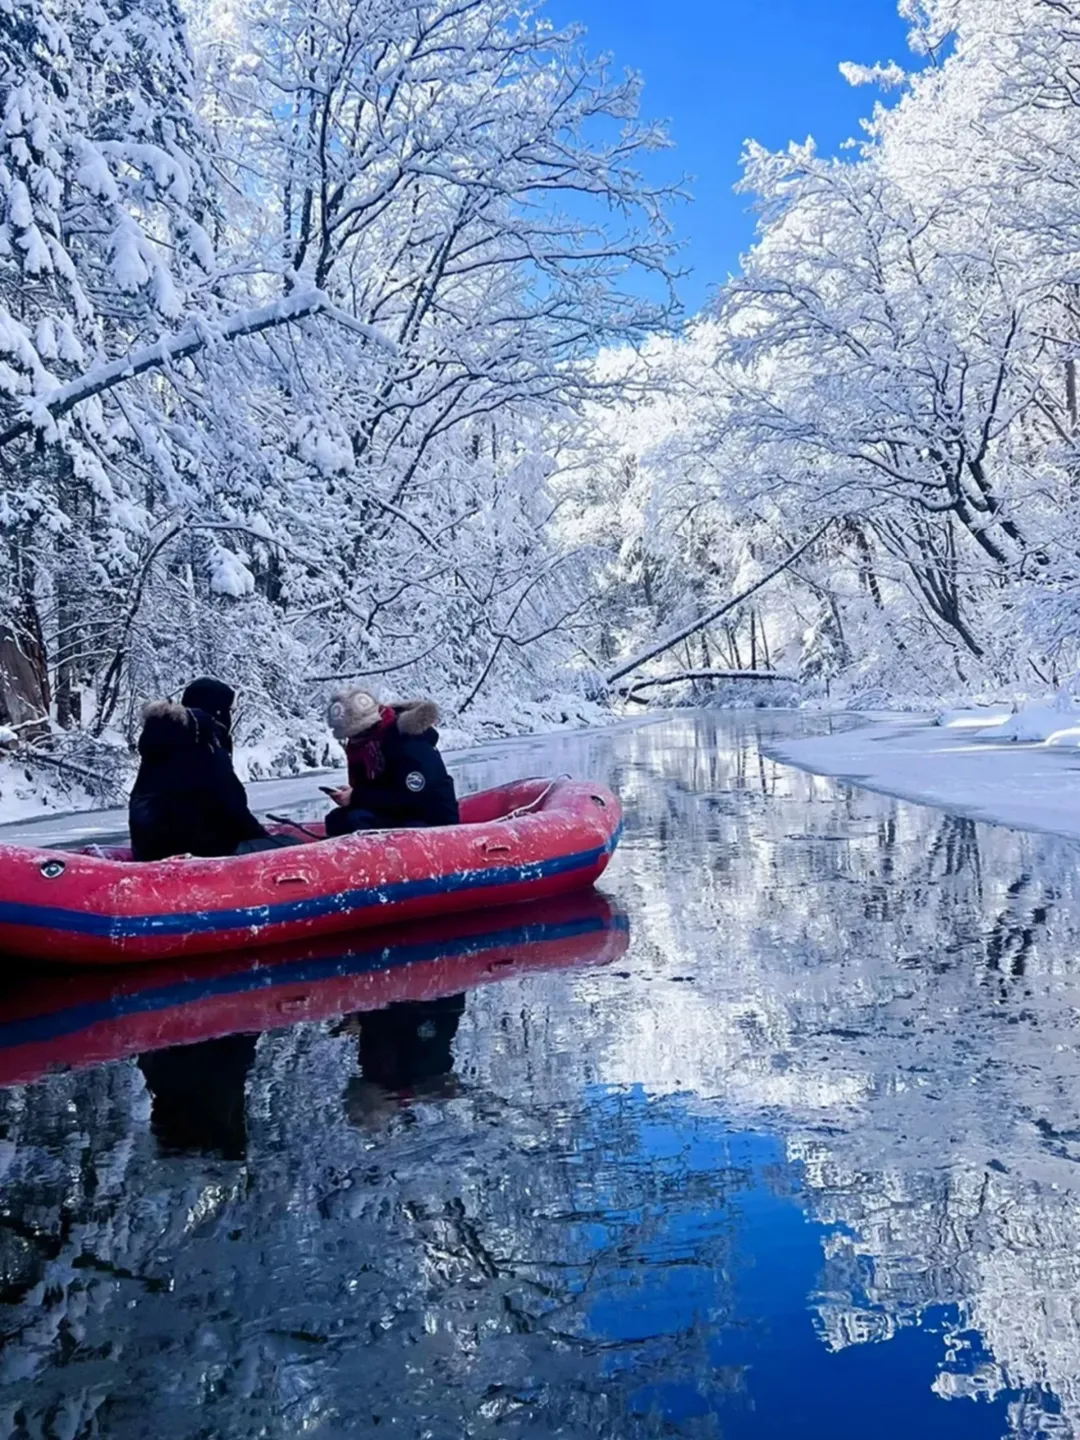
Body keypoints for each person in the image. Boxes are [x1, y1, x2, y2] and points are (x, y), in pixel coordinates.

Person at [129, 697, 271, 861]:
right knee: (288, 843)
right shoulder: (204, 752)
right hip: (206, 852)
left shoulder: (153, 755)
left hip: (150, 854)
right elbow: (233, 807)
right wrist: (262, 836)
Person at [324, 689, 460, 836]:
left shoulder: (409, 744)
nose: (353, 740)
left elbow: (410, 796)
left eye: (354, 735)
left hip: (430, 817)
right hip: (400, 812)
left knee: (358, 820)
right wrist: (354, 794)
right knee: (336, 820)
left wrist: (356, 797)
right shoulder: (372, 747)